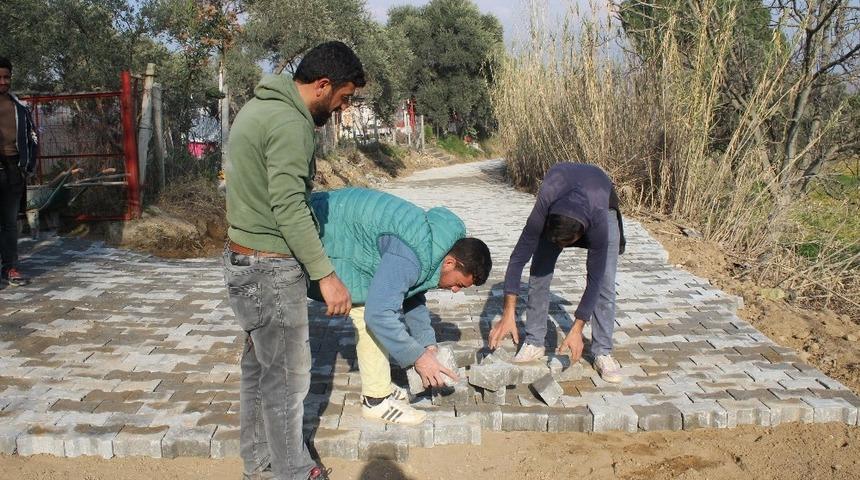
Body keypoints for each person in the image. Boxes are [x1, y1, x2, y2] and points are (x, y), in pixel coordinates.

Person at [223, 41, 364, 480]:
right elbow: (288, 205)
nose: (341, 109)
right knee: (287, 376)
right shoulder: (291, 123)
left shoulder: (258, 108)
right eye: (343, 99)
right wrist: (326, 275)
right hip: (269, 267)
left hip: (243, 261)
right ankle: (293, 471)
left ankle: (261, 465)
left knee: (259, 371)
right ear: (323, 85)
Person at [309, 187, 492, 425]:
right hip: (322, 228)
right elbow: (379, 314)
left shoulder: (433, 247)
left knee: (377, 304)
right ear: (450, 262)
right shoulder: (412, 254)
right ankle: (376, 402)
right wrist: (419, 359)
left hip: (341, 228)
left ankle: (380, 386)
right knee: (372, 312)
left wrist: (428, 345)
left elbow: (411, 294)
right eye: (459, 284)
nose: (456, 291)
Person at [488, 162, 626, 383]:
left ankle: (603, 351)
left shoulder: (599, 222)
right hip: (559, 196)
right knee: (540, 269)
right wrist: (508, 312)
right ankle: (534, 341)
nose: (560, 246)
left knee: (606, 283)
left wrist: (577, 327)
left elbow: (595, 279)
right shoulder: (544, 208)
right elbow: (517, 260)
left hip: (601, 199)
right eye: (556, 241)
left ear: (581, 235)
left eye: (565, 243)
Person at [0, 56, 37, 287]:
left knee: (10, 223)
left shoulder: (19, 107)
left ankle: (10, 267)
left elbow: (33, 138)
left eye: (6, 77)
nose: (3, 81)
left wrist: (28, 167)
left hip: (13, 171)